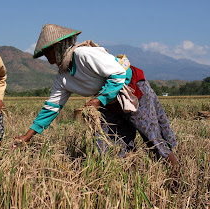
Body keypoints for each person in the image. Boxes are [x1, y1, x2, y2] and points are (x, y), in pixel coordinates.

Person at [14, 24, 178, 166]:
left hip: (131, 90)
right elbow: (51, 108)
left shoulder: (83, 54)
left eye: (48, 53)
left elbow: (118, 74)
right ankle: (126, 181)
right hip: (107, 100)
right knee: (107, 145)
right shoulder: (62, 77)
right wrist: (27, 136)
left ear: (58, 47)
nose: (48, 60)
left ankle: (176, 175)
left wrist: (98, 100)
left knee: (152, 138)